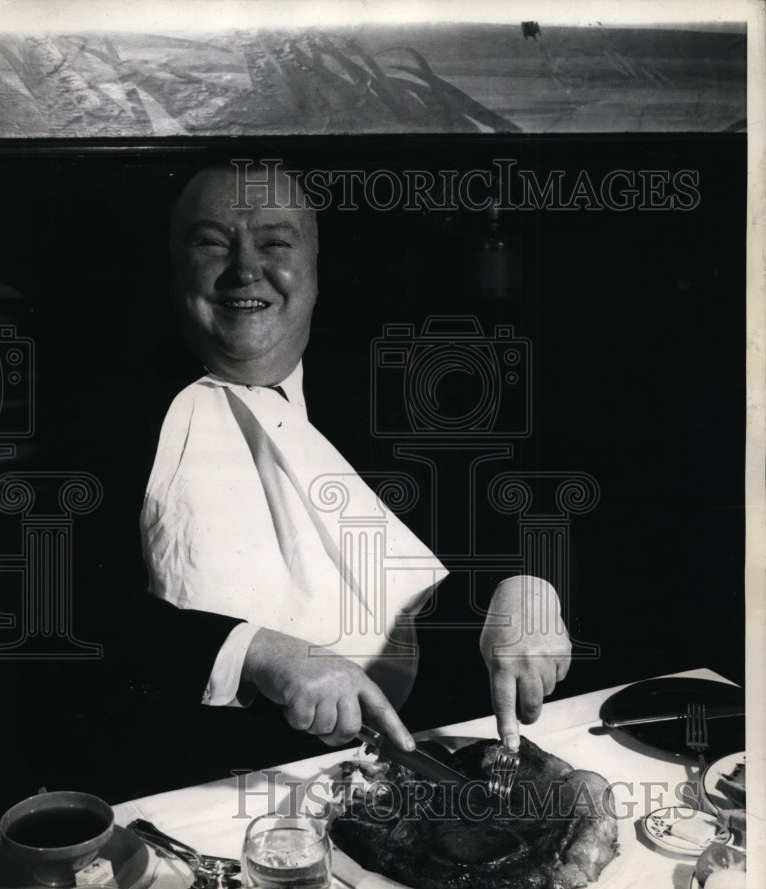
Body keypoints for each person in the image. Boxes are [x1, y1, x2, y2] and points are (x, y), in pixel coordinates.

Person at [137, 160, 571, 766]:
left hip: (427, 749)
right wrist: (254, 651)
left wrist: (526, 587)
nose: (245, 270)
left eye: (275, 243)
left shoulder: (392, 389)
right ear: (174, 270)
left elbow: (495, 511)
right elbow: (75, 618)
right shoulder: (107, 417)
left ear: (313, 271)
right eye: (211, 244)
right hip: (208, 776)